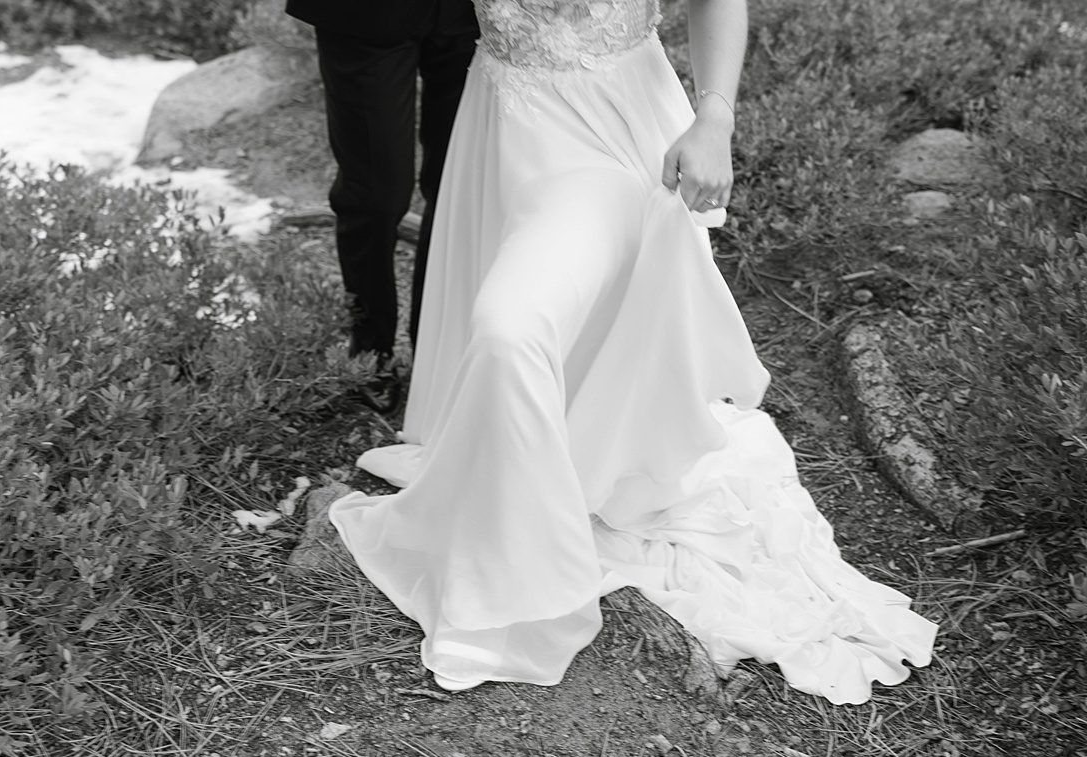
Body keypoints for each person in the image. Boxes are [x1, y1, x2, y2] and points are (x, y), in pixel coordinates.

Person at [328, 0, 938, 704]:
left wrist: (716, 118)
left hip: (614, 139)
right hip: (499, 130)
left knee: (509, 329)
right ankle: (561, 458)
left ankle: (517, 580)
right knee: (548, 327)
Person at [285, 0, 478, 408]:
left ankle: (436, 348)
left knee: (457, 184)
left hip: (474, 13)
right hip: (365, 13)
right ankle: (370, 350)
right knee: (374, 193)